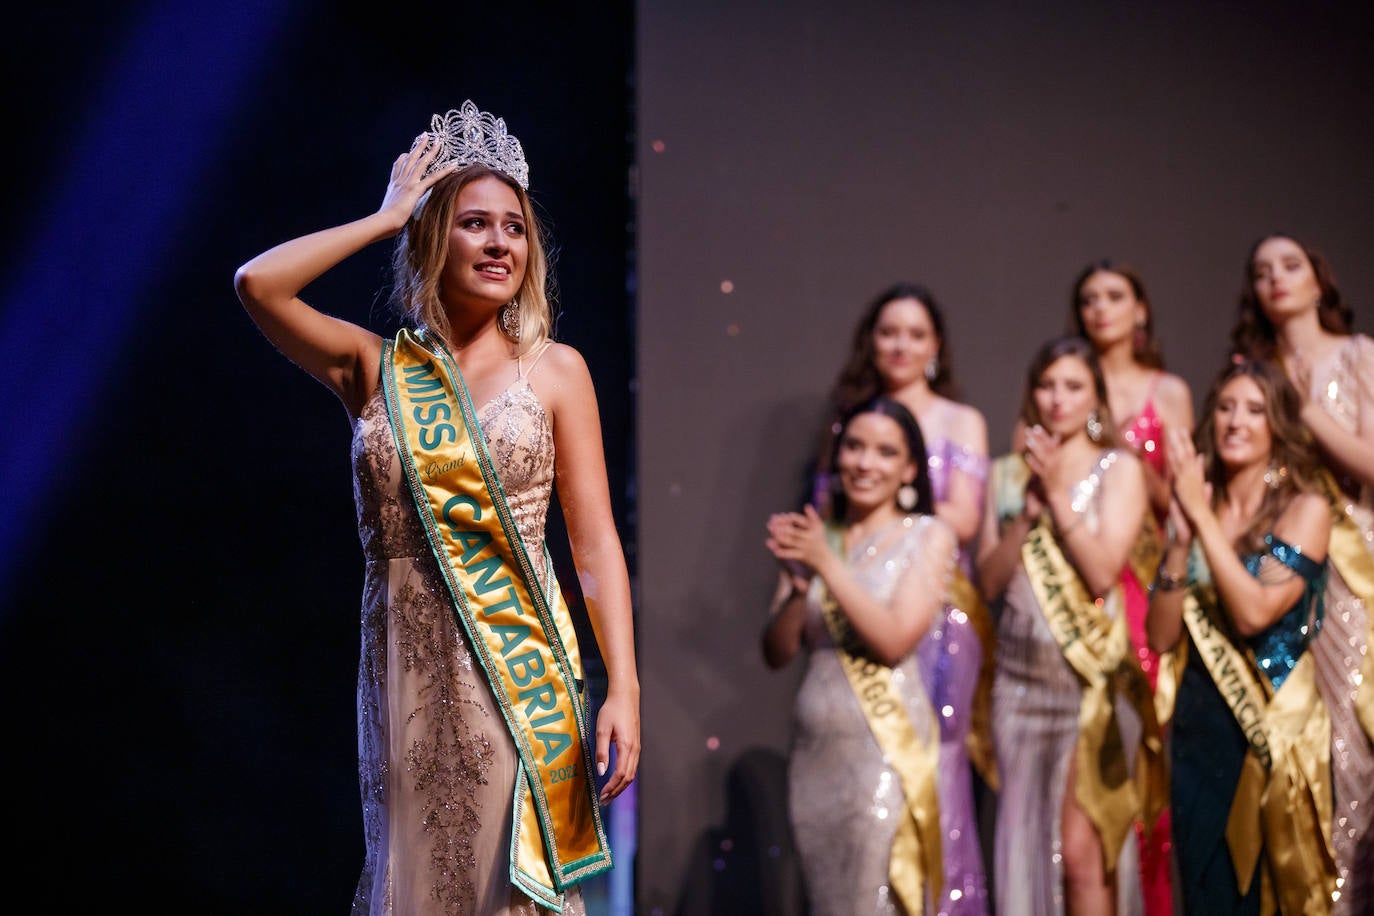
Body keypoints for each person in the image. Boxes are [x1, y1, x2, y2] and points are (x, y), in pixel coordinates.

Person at [233, 101, 639, 915]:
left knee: (505, 880)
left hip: (514, 668)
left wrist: (623, 686)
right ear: (432, 237)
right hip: (403, 664)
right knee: (412, 874)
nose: (499, 244)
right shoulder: (372, 368)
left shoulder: (556, 372)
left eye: (515, 229)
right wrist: (385, 217)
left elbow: (593, 544)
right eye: (474, 223)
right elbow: (258, 284)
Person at [817, 283, 994, 914]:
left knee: (933, 763)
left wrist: (885, 507)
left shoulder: (959, 419)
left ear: (936, 347)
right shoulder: (850, 418)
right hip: (858, 600)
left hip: (937, 611)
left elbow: (967, 520)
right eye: (889, 332)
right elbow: (828, 516)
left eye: (916, 334)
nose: (901, 345)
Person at [977, 335, 1161, 916]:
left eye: (1074, 386)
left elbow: (1104, 572)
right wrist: (1025, 515)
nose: (1058, 399)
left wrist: (1057, 494)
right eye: (1048, 385)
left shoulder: (1120, 469)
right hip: (1018, 685)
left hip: (1091, 687)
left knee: (1084, 855)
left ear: (1096, 397)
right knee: (1026, 847)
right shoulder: (1006, 475)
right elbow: (988, 582)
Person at [1147, 359, 1336, 914]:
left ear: (1278, 423)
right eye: (1226, 407)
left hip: (1269, 734)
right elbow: (1160, 637)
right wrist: (1180, 543)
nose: (1236, 421)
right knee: (1205, 893)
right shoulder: (1198, 510)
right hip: (1197, 729)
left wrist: (1202, 519)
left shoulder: (1306, 509)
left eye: (1255, 409)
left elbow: (1255, 614)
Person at [765, 396, 958, 915]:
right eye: (854, 446)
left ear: (909, 468)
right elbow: (778, 651)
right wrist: (802, 583)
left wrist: (827, 565)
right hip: (814, 755)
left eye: (885, 452)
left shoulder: (930, 536)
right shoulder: (818, 538)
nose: (865, 463)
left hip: (885, 750)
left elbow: (895, 639)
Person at [1229, 233, 1374, 912]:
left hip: (1351, 572)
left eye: (1290, 266)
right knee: (1285, 737)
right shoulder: (1249, 369)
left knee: (1349, 740)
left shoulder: (1357, 355)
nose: (1275, 279)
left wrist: (1298, 400)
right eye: (1262, 272)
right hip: (1276, 564)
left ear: (1320, 281)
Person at [1070, 260, 1193, 916]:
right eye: (1088, 299)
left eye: (1114, 295)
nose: (1101, 309)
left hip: (1143, 582)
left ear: (1140, 308)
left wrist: (1124, 454)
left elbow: (1183, 497)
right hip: (1078, 584)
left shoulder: (1165, 392)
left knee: (1142, 752)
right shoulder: (1064, 384)